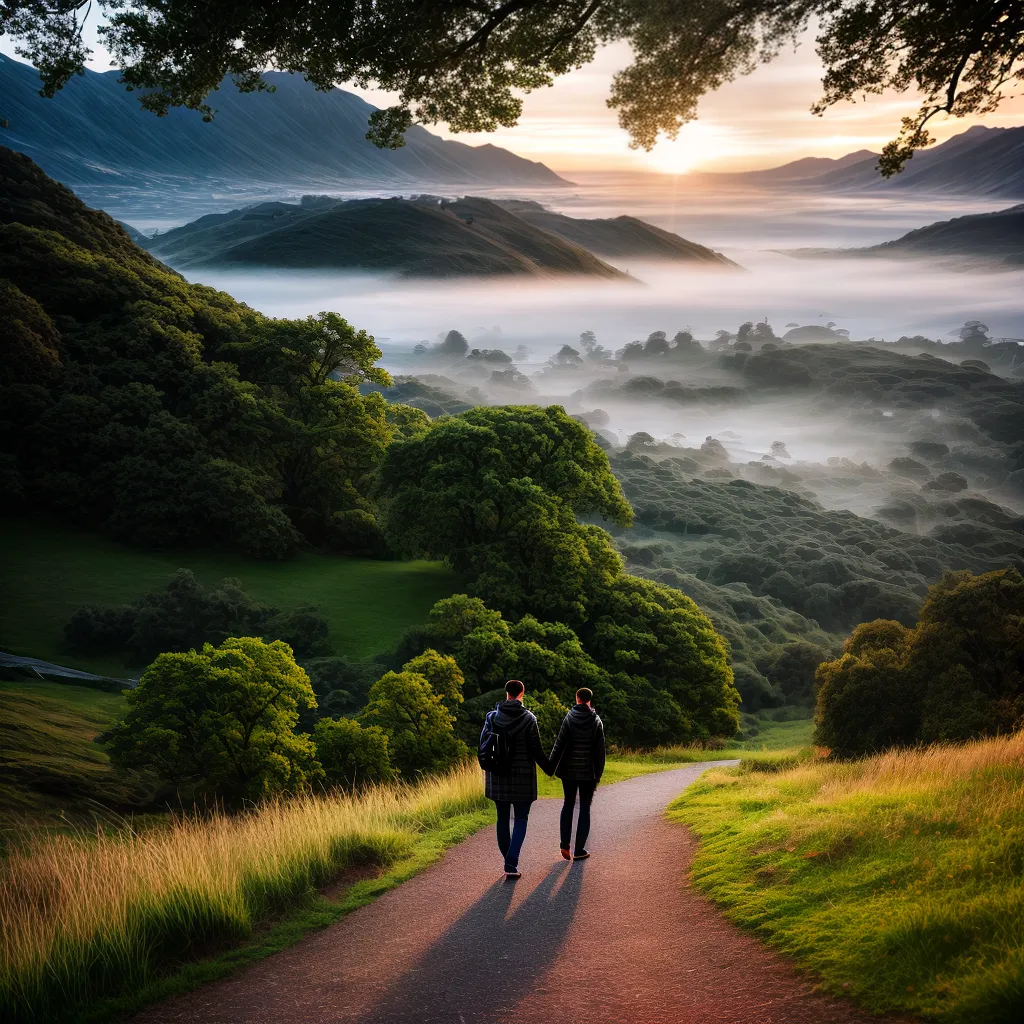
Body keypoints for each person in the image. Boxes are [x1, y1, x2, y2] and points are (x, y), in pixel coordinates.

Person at [480, 679, 552, 879]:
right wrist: (551, 769)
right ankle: (511, 863)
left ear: (506, 693)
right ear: (522, 693)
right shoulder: (529, 719)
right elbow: (537, 751)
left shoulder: (492, 717)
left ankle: (508, 863)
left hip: (498, 776)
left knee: (502, 818)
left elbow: (484, 745)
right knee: (521, 819)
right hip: (523, 778)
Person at [548, 687, 606, 861]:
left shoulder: (569, 718)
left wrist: (550, 767)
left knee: (568, 804)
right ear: (589, 700)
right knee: (585, 808)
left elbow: (559, 744)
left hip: (569, 770)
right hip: (588, 771)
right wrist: (598, 774)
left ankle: (564, 845)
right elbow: (600, 752)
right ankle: (579, 850)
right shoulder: (596, 721)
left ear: (577, 698)